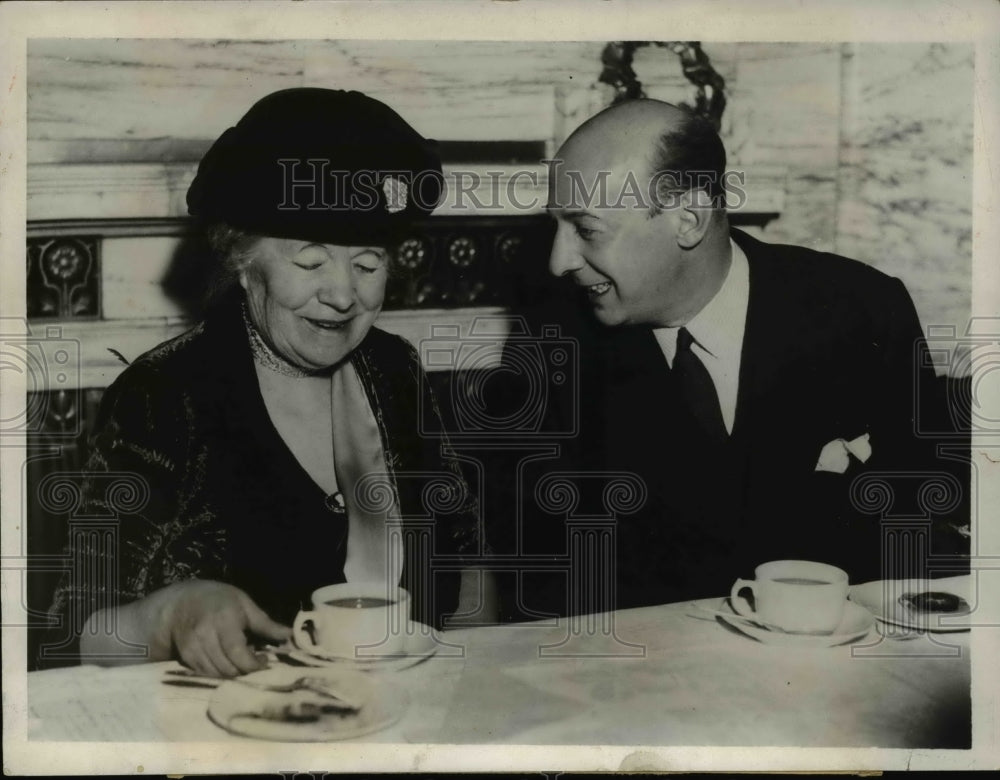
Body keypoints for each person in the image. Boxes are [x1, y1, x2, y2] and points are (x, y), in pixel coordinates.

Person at [48, 88, 490, 677]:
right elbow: (73, 634)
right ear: (241, 260)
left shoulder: (396, 370)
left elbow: (468, 560)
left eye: (368, 264)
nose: (341, 294)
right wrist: (168, 615)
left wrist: (475, 688)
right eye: (310, 262)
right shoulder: (163, 395)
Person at [505, 98, 968, 617]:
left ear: (688, 220)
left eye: (586, 230)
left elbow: (923, 526)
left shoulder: (862, 311)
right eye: (555, 228)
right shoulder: (550, 346)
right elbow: (547, 578)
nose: (558, 261)